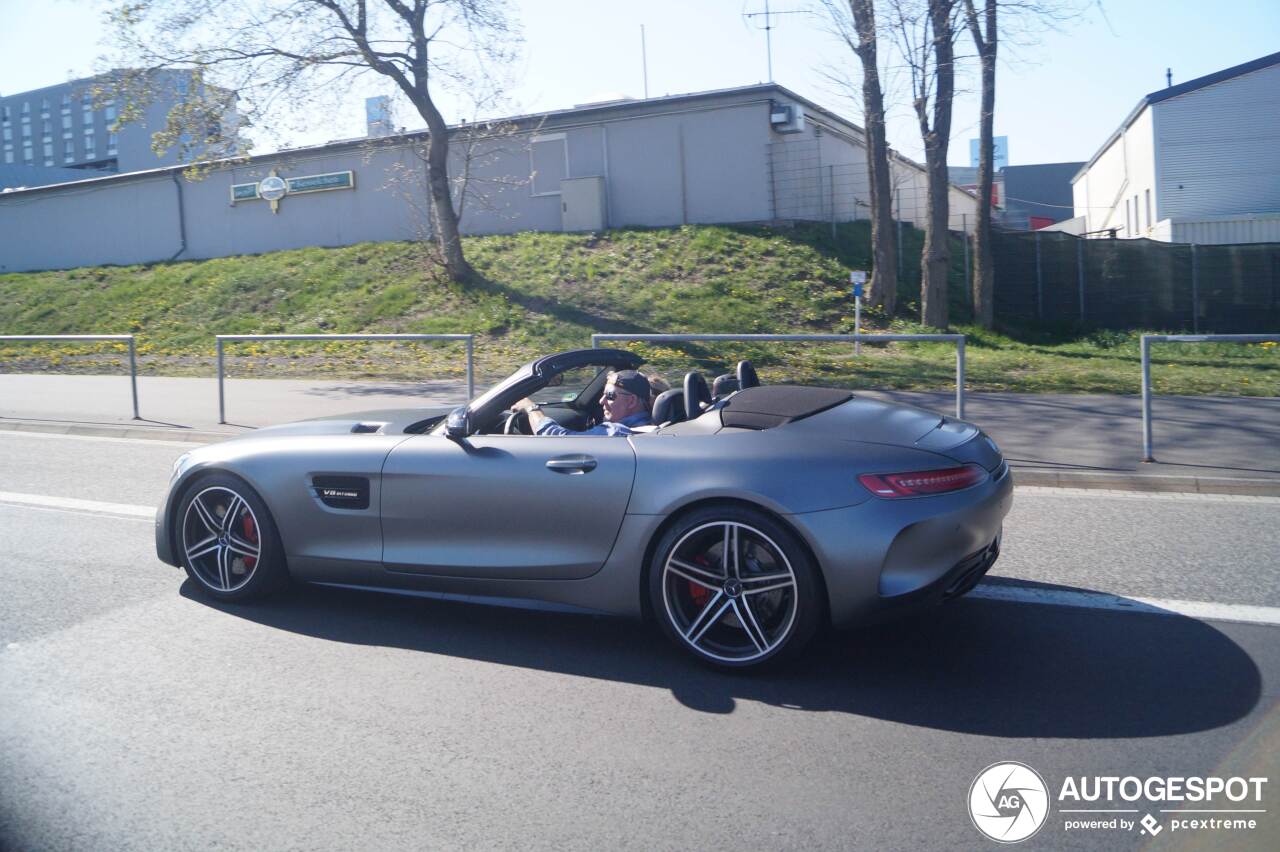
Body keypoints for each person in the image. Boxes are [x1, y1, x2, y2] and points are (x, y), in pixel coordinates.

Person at [514, 369, 653, 436]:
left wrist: (530, 408)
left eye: (609, 395)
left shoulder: (615, 433)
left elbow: (557, 439)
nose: (601, 401)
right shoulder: (656, 427)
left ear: (631, 401)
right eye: (602, 395)